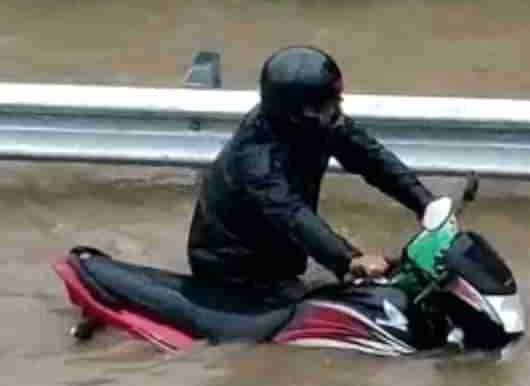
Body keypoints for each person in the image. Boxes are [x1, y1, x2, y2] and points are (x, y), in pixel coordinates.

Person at [186, 45, 436, 303]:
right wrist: (348, 259)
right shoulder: (256, 157)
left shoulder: (323, 124)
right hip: (231, 270)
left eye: (336, 101)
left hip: (279, 258)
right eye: (326, 105)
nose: (335, 110)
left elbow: (373, 159)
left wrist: (424, 202)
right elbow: (291, 213)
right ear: (297, 113)